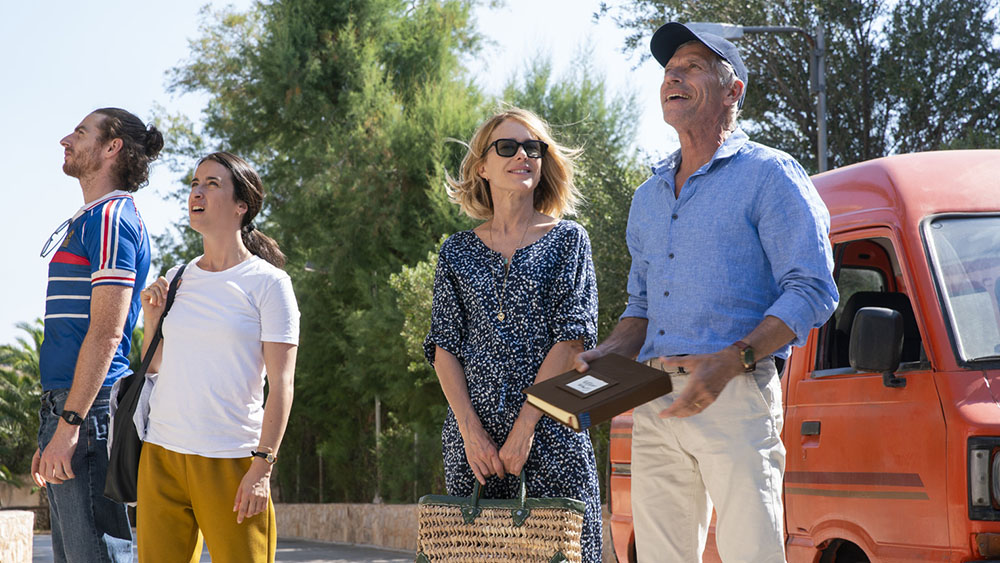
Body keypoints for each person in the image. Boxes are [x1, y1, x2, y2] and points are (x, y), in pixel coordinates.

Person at [576, 23, 838, 563]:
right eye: (669, 69)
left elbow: (812, 288)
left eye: (692, 66)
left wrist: (731, 359)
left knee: (752, 555)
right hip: (654, 401)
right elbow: (642, 309)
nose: (673, 76)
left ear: (732, 90)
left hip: (736, 392)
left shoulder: (770, 174)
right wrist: (609, 353)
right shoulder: (648, 197)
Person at [424, 107, 602, 561]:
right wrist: (471, 432)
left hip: (552, 435)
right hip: (475, 449)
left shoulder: (569, 241)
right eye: (507, 147)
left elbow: (573, 339)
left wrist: (525, 429)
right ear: (482, 166)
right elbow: (444, 347)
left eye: (532, 148)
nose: (522, 155)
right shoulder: (456, 251)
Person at [135, 152, 299, 563]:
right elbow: (155, 368)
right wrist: (151, 320)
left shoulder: (269, 284)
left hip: (232, 460)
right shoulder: (177, 278)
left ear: (242, 204)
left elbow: (282, 385)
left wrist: (262, 468)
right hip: (161, 455)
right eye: (194, 184)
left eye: (211, 184)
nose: (197, 192)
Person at [32, 108, 162, 562]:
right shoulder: (93, 217)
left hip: (87, 412)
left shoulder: (110, 219)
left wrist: (69, 425)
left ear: (111, 147)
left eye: (81, 132)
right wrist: (55, 425)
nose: (65, 140)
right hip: (71, 408)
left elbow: (106, 333)